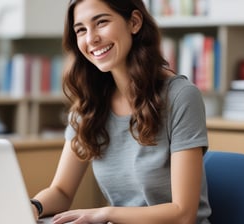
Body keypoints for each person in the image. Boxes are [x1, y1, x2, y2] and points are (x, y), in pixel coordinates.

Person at [31, 0, 211, 223]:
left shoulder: (181, 96)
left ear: (134, 22)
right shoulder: (90, 106)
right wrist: (32, 207)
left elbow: (183, 214)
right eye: (81, 30)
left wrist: (105, 213)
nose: (91, 38)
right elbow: (61, 191)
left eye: (101, 22)